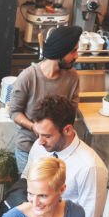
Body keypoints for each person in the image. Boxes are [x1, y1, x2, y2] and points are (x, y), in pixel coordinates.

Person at [26, 95, 107, 217]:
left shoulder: (90, 167)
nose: (40, 141)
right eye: (39, 134)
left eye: (47, 136)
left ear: (68, 130)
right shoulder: (39, 146)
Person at [8, 25, 82, 174]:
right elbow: (14, 112)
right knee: (32, 191)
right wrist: (34, 127)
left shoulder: (72, 77)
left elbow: (71, 113)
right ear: (60, 52)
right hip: (28, 149)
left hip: (57, 151)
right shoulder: (28, 77)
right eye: (73, 51)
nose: (76, 56)